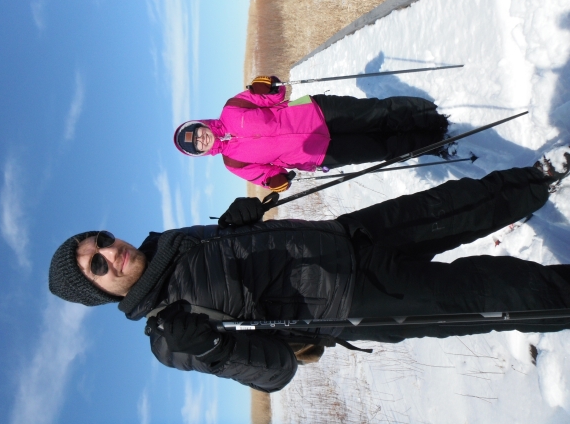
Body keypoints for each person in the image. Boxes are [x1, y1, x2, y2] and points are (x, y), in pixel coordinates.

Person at [49, 152, 570, 393]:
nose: (108, 250)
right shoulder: (169, 337)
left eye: (100, 239)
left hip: (351, 235)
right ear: (98, 292)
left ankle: (539, 177)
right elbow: (276, 370)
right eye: (96, 264)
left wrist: (240, 223)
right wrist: (213, 349)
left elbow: (243, 249)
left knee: (457, 204)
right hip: (361, 301)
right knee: (498, 291)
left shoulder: (171, 241)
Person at [173, 76, 450, 192]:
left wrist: (267, 86)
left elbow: (275, 95)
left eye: (196, 133)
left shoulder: (232, 108)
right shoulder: (233, 163)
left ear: (199, 124)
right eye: (196, 145)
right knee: (379, 148)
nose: (200, 139)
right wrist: (278, 182)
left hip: (318, 111)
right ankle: (433, 142)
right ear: (200, 152)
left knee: (378, 113)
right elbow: (265, 175)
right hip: (317, 155)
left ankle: (431, 114)